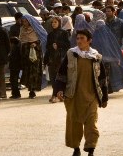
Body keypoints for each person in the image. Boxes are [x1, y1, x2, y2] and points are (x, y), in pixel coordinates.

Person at [54, 28, 108, 156]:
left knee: (91, 124)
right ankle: (76, 148)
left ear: (89, 41)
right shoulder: (71, 54)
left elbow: (102, 79)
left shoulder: (96, 57)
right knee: (74, 124)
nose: (79, 41)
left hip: (91, 97)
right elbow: (61, 74)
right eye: (77, 38)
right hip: (73, 96)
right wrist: (59, 90)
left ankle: (91, 149)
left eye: (82, 38)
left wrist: (104, 97)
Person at [19, 15, 47, 99]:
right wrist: (26, 45)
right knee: (28, 71)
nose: (24, 23)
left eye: (26, 21)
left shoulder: (36, 29)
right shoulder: (22, 30)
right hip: (26, 53)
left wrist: (36, 44)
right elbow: (21, 41)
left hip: (36, 53)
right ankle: (30, 88)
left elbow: (43, 38)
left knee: (35, 71)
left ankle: (33, 90)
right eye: (23, 21)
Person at [45, 16, 71, 103]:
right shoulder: (50, 34)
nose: (53, 24)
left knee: (59, 77)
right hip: (52, 58)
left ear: (59, 23)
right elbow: (47, 47)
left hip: (61, 58)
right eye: (52, 22)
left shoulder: (64, 33)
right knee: (53, 77)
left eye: (55, 22)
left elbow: (67, 45)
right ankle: (57, 94)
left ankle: (55, 95)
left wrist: (58, 45)